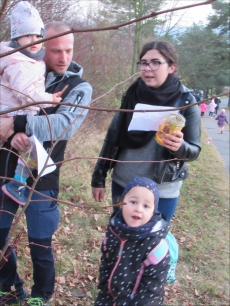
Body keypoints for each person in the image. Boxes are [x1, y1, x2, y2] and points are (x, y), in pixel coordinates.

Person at [0, 18, 92, 306]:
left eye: (68, 50)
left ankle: (42, 296)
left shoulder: (78, 87)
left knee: (40, 243)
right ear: (39, 48)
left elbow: (62, 124)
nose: (63, 57)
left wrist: (18, 124)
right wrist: (8, 134)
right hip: (7, 172)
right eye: (55, 50)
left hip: (43, 179)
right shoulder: (16, 71)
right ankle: (10, 289)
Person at [91, 40, 201, 222]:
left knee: (153, 246)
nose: (147, 68)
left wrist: (179, 147)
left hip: (162, 191)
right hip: (124, 185)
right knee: (122, 241)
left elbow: (194, 150)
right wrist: (99, 176)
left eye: (155, 62)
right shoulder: (132, 93)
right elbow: (112, 137)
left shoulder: (186, 102)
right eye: (143, 62)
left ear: (171, 67)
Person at [0, 1, 62, 206]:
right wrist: (49, 99)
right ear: (16, 37)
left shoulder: (31, 58)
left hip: (19, 113)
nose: (34, 41)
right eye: (28, 35)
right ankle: (16, 183)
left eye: (38, 36)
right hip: (10, 113)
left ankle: (18, 182)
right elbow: (27, 94)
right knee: (30, 148)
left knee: (29, 148)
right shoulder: (17, 62)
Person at [95, 176, 170, 306]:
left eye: (146, 206)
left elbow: (152, 285)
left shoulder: (156, 246)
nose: (138, 209)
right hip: (109, 297)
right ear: (121, 203)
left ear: (153, 212)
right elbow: (106, 260)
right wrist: (103, 285)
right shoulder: (114, 230)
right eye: (133, 202)